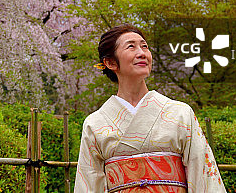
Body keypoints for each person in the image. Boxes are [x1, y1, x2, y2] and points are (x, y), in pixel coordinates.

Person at [74, 24, 227, 193]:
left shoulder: (180, 114)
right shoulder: (95, 123)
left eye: (144, 46)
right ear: (110, 62)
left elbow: (204, 175)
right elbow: (87, 184)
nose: (142, 53)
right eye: (131, 46)